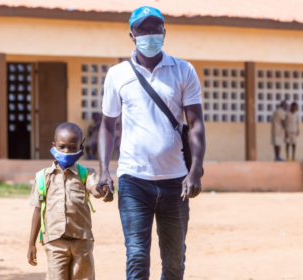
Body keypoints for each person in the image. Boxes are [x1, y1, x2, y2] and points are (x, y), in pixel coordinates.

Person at [97, 6, 205, 280]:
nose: (149, 35)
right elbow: (107, 126)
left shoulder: (184, 70)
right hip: (134, 180)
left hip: (175, 182)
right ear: (132, 35)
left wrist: (195, 171)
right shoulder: (117, 75)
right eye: (142, 30)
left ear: (164, 32)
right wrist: (104, 170)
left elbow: (196, 125)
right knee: (136, 257)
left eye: (155, 29)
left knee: (174, 262)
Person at [27, 122, 110, 279]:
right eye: (62, 147)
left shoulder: (86, 174)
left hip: (82, 242)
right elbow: (38, 210)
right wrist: (31, 244)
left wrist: (103, 190)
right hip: (55, 242)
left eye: (72, 147)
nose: (67, 151)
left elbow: (95, 190)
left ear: (81, 147)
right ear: (54, 146)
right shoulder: (43, 178)